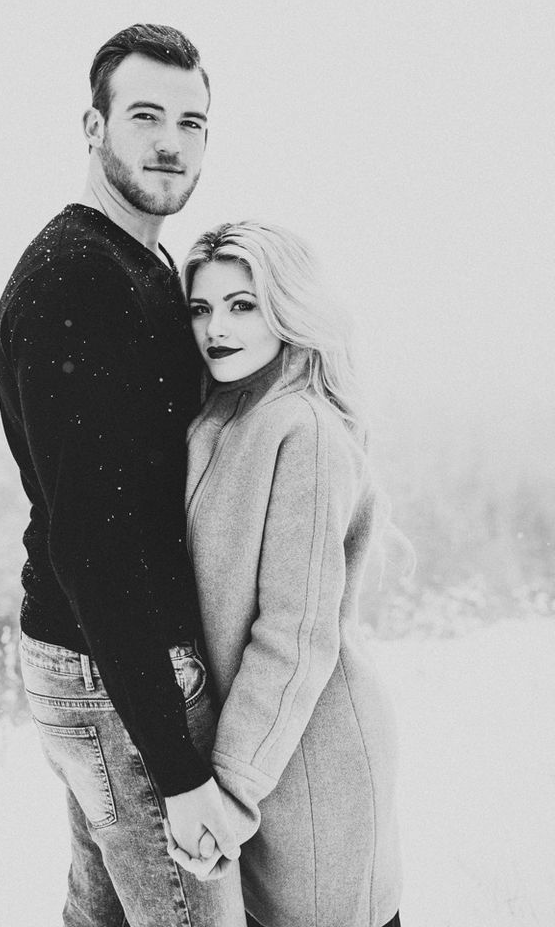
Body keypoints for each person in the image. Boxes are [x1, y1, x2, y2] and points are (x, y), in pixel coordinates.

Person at [0, 24, 245, 927]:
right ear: (93, 126)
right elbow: (92, 540)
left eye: (192, 120)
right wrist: (178, 775)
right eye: (144, 115)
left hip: (98, 662)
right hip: (114, 669)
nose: (171, 140)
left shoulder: (144, 264)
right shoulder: (78, 280)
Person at [170, 220, 404, 927]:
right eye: (201, 307)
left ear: (288, 308)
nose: (217, 327)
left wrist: (233, 791)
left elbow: (295, 634)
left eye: (243, 305)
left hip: (310, 759)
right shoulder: (221, 414)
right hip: (255, 748)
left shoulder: (303, 430)